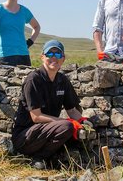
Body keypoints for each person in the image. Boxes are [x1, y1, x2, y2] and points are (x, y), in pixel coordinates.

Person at [11, 40, 90, 170]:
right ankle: (39, 158)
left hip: (48, 131)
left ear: (63, 59)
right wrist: (68, 122)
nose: (54, 57)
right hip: (25, 136)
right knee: (66, 126)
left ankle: (56, 157)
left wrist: (83, 122)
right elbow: (36, 117)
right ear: (42, 57)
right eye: (49, 54)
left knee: (76, 129)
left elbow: (72, 110)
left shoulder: (62, 80)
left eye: (58, 54)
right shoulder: (33, 80)